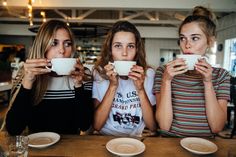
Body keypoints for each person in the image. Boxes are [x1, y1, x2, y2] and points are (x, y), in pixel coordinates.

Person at [4, 20, 93, 135]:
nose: (62, 50)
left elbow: (84, 125)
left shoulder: (83, 76)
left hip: (71, 148)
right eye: (54, 43)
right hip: (36, 147)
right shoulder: (26, 75)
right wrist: (28, 81)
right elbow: (14, 129)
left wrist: (78, 84)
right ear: (42, 46)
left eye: (67, 44)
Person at [153, 6, 230, 137]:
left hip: (206, 146)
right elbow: (164, 126)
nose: (187, 45)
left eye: (195, 38)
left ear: (210, 42)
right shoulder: (163, 72)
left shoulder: (221, 75)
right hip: (170, 145)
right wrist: (166, 81)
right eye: (183, 38)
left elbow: (217, 127)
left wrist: (207, 82)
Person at [92, 21, 156, 137]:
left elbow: (152, 126)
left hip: (136, 138)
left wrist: (141, 90)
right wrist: (113, 86)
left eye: (130, 46)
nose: (124, 53)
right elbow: (97, 125)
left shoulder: (148, 74)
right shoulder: (100, 74)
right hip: (106, 137)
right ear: (110, 51)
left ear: (137, 51)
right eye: (118, 46)